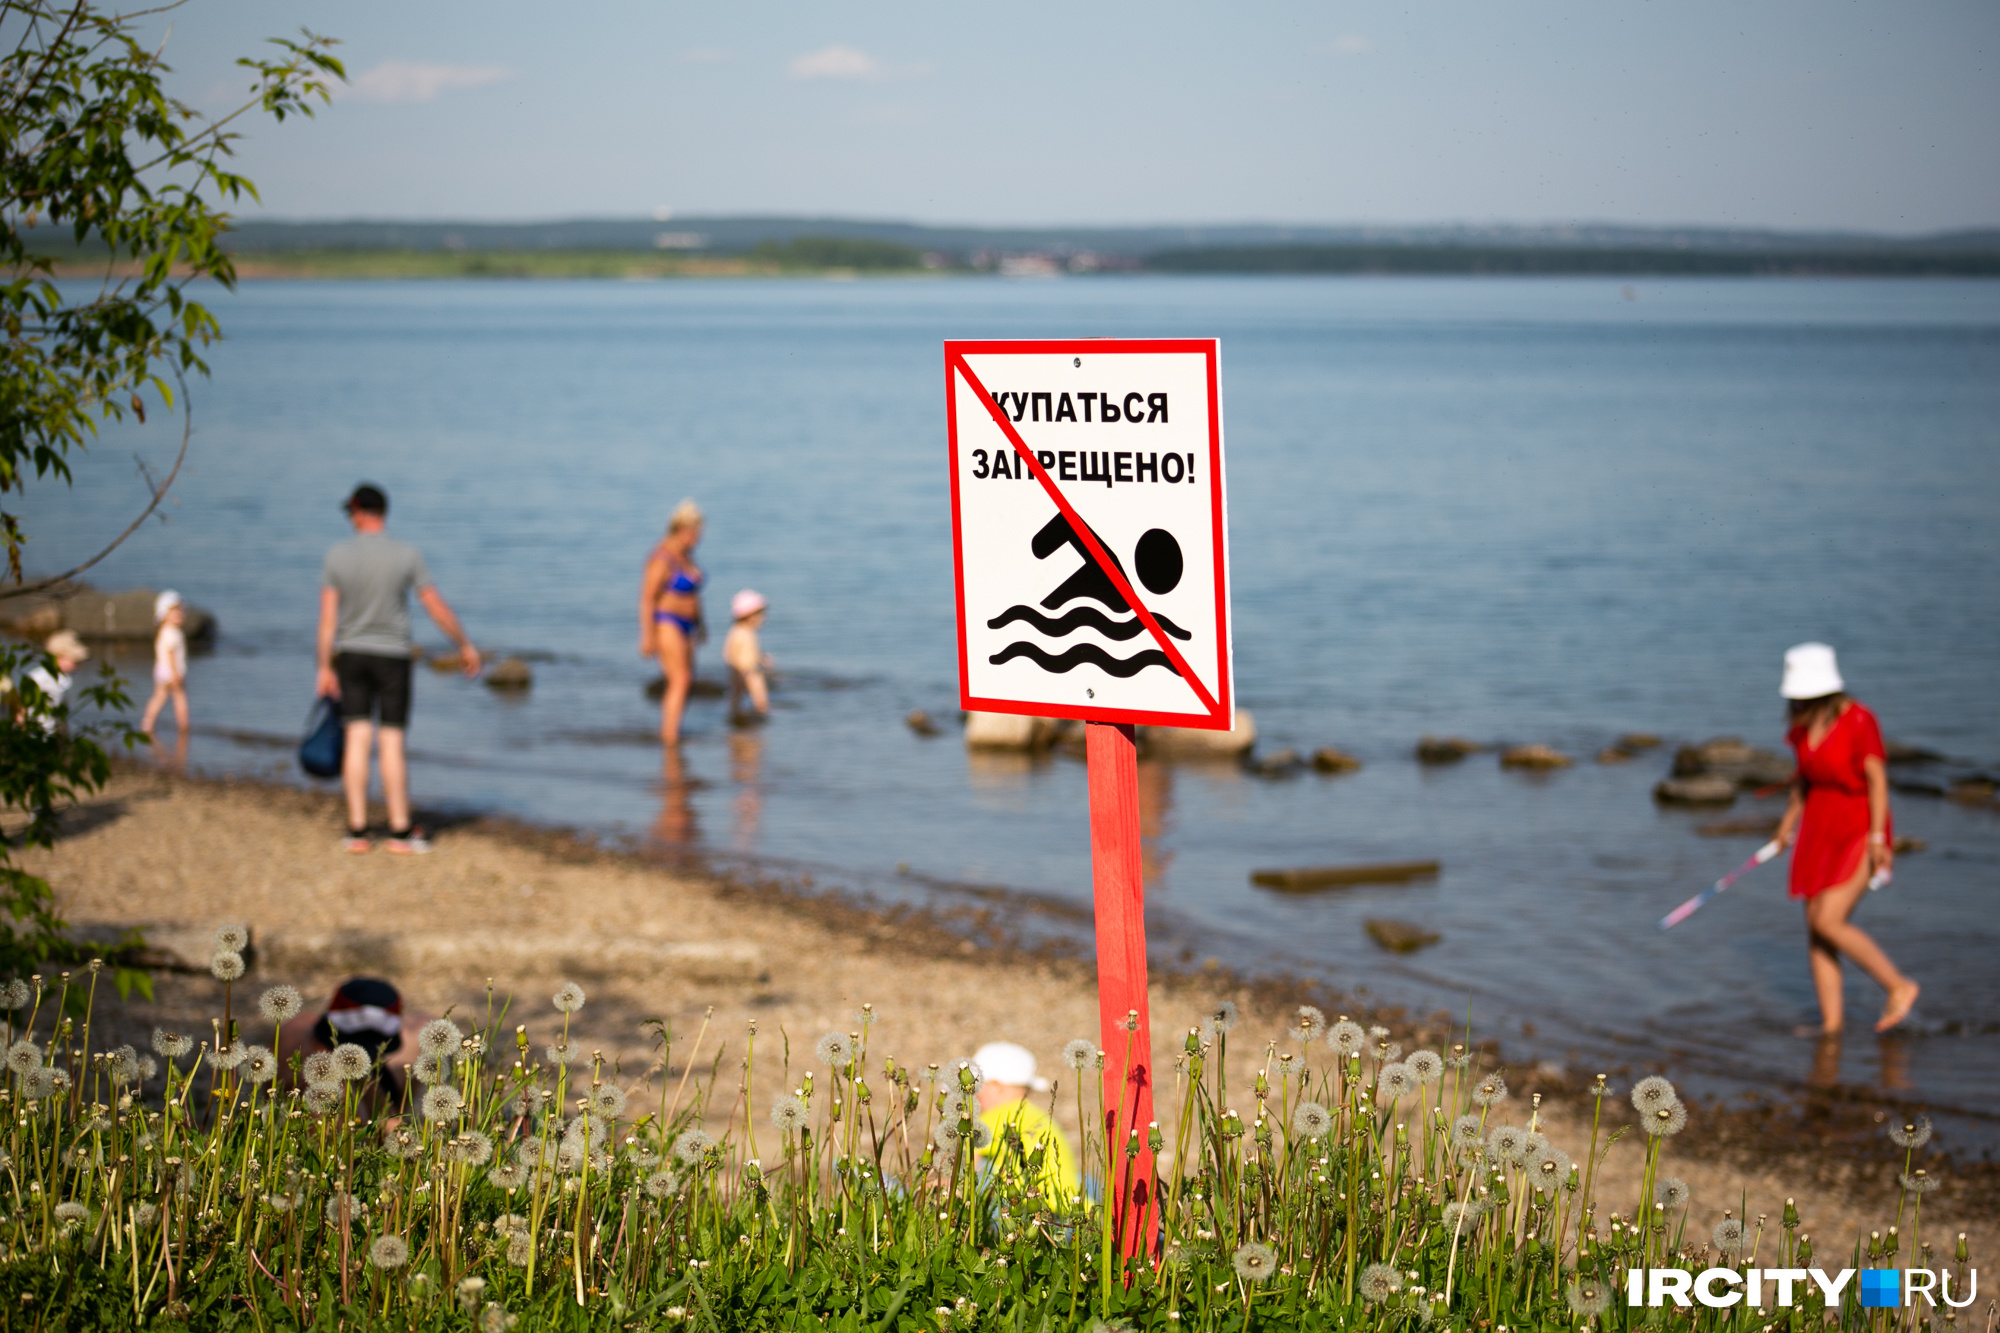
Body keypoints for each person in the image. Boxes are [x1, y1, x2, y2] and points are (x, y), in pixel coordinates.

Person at [317, 483, 480, 855]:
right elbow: (434, 605)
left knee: (357, 738)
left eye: (350, 513)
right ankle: (400, 830)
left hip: (352, 654)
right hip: (393, 657)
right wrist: (464, 644)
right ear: (383, 514)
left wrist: (324, 667)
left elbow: (327, 620)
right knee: (391, 741)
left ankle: (357, 830)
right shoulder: (406, 555)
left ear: (358, 513)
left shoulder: (337, 556)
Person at [1773, 642, 1920, 1035]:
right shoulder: (1803, 723)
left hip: (1858, 825)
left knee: (1829, 920)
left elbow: (1877, 780)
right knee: (1815, 929)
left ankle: (1899, 986)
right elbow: (1804, 780)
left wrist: (1877, 838)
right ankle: (1832, 1025)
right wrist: (1787, 824)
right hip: (1817, 828)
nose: (1797, 701)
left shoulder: (1859, 719)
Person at [274, 976, 431, 1108]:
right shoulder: (329, 1088)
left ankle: (397, 1106)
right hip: (361, 1102)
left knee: (423, 1026)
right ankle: (397, 1108)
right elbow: (390, 1127)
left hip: (377, 1085)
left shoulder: (296, 1025)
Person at [971, 1041, 1079, 1204]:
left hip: (1036, 1212)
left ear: (997, 1086)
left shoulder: (997, 1117)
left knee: (982, 1174)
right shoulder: (1037, 1114)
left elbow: (967, 1163)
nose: (974, 1095)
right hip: (1075, 1207)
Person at [638, 499, 705, 745]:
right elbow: (647, 599)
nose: (699, 536)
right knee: (680, 679)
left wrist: (702, 624)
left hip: (689, 624)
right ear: (682, 529)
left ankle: (672, 729)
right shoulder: (662, 557)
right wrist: (647, 636)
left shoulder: (687, 555)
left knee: (688, 679)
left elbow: (694, 593)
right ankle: (669, 735)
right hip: (667, 621)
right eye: (696, 531)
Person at [139, 590, 190, 738]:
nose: (178, 615)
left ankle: (147, 723)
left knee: (159, 697)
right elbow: (171, 654)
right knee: (180, 698)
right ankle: (183, 726)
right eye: (174, 612)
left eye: (180, 611)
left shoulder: (164, 631)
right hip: (172, 671)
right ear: (163, 615)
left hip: (161, 671)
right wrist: (175, 673)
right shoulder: (172, 633)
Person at [723, 588, 772, 723]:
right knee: (754, 694)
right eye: (761, 614)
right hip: (746, 671)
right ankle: (757, 714)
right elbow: (731, 653)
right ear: (750, 616)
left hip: (748, 669)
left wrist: (761, 658)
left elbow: (751, 652)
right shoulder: (741, 633)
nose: (763, 618)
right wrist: (737, 671)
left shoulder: (745, 631)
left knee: (740, 695)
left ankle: (738, 714)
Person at [22, 630, 88, 728]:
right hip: (36, 734)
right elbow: (22, 709)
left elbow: (60, 717)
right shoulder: (38, 678)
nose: (78, 665)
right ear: (58, 656)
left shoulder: (64, 680)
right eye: (75, 661)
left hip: (51, 734)